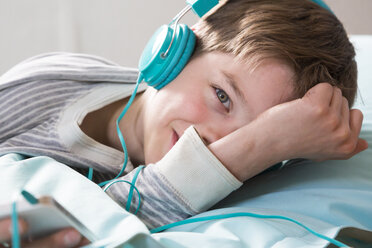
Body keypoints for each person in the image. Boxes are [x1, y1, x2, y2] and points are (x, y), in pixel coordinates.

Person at [0, 0, 368, 247]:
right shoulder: (50, 82)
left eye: (253, 134)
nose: (215, 140)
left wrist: (259, 146)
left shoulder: (215, 180)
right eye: (222, 97)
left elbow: (99, 217)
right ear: (175, 52)